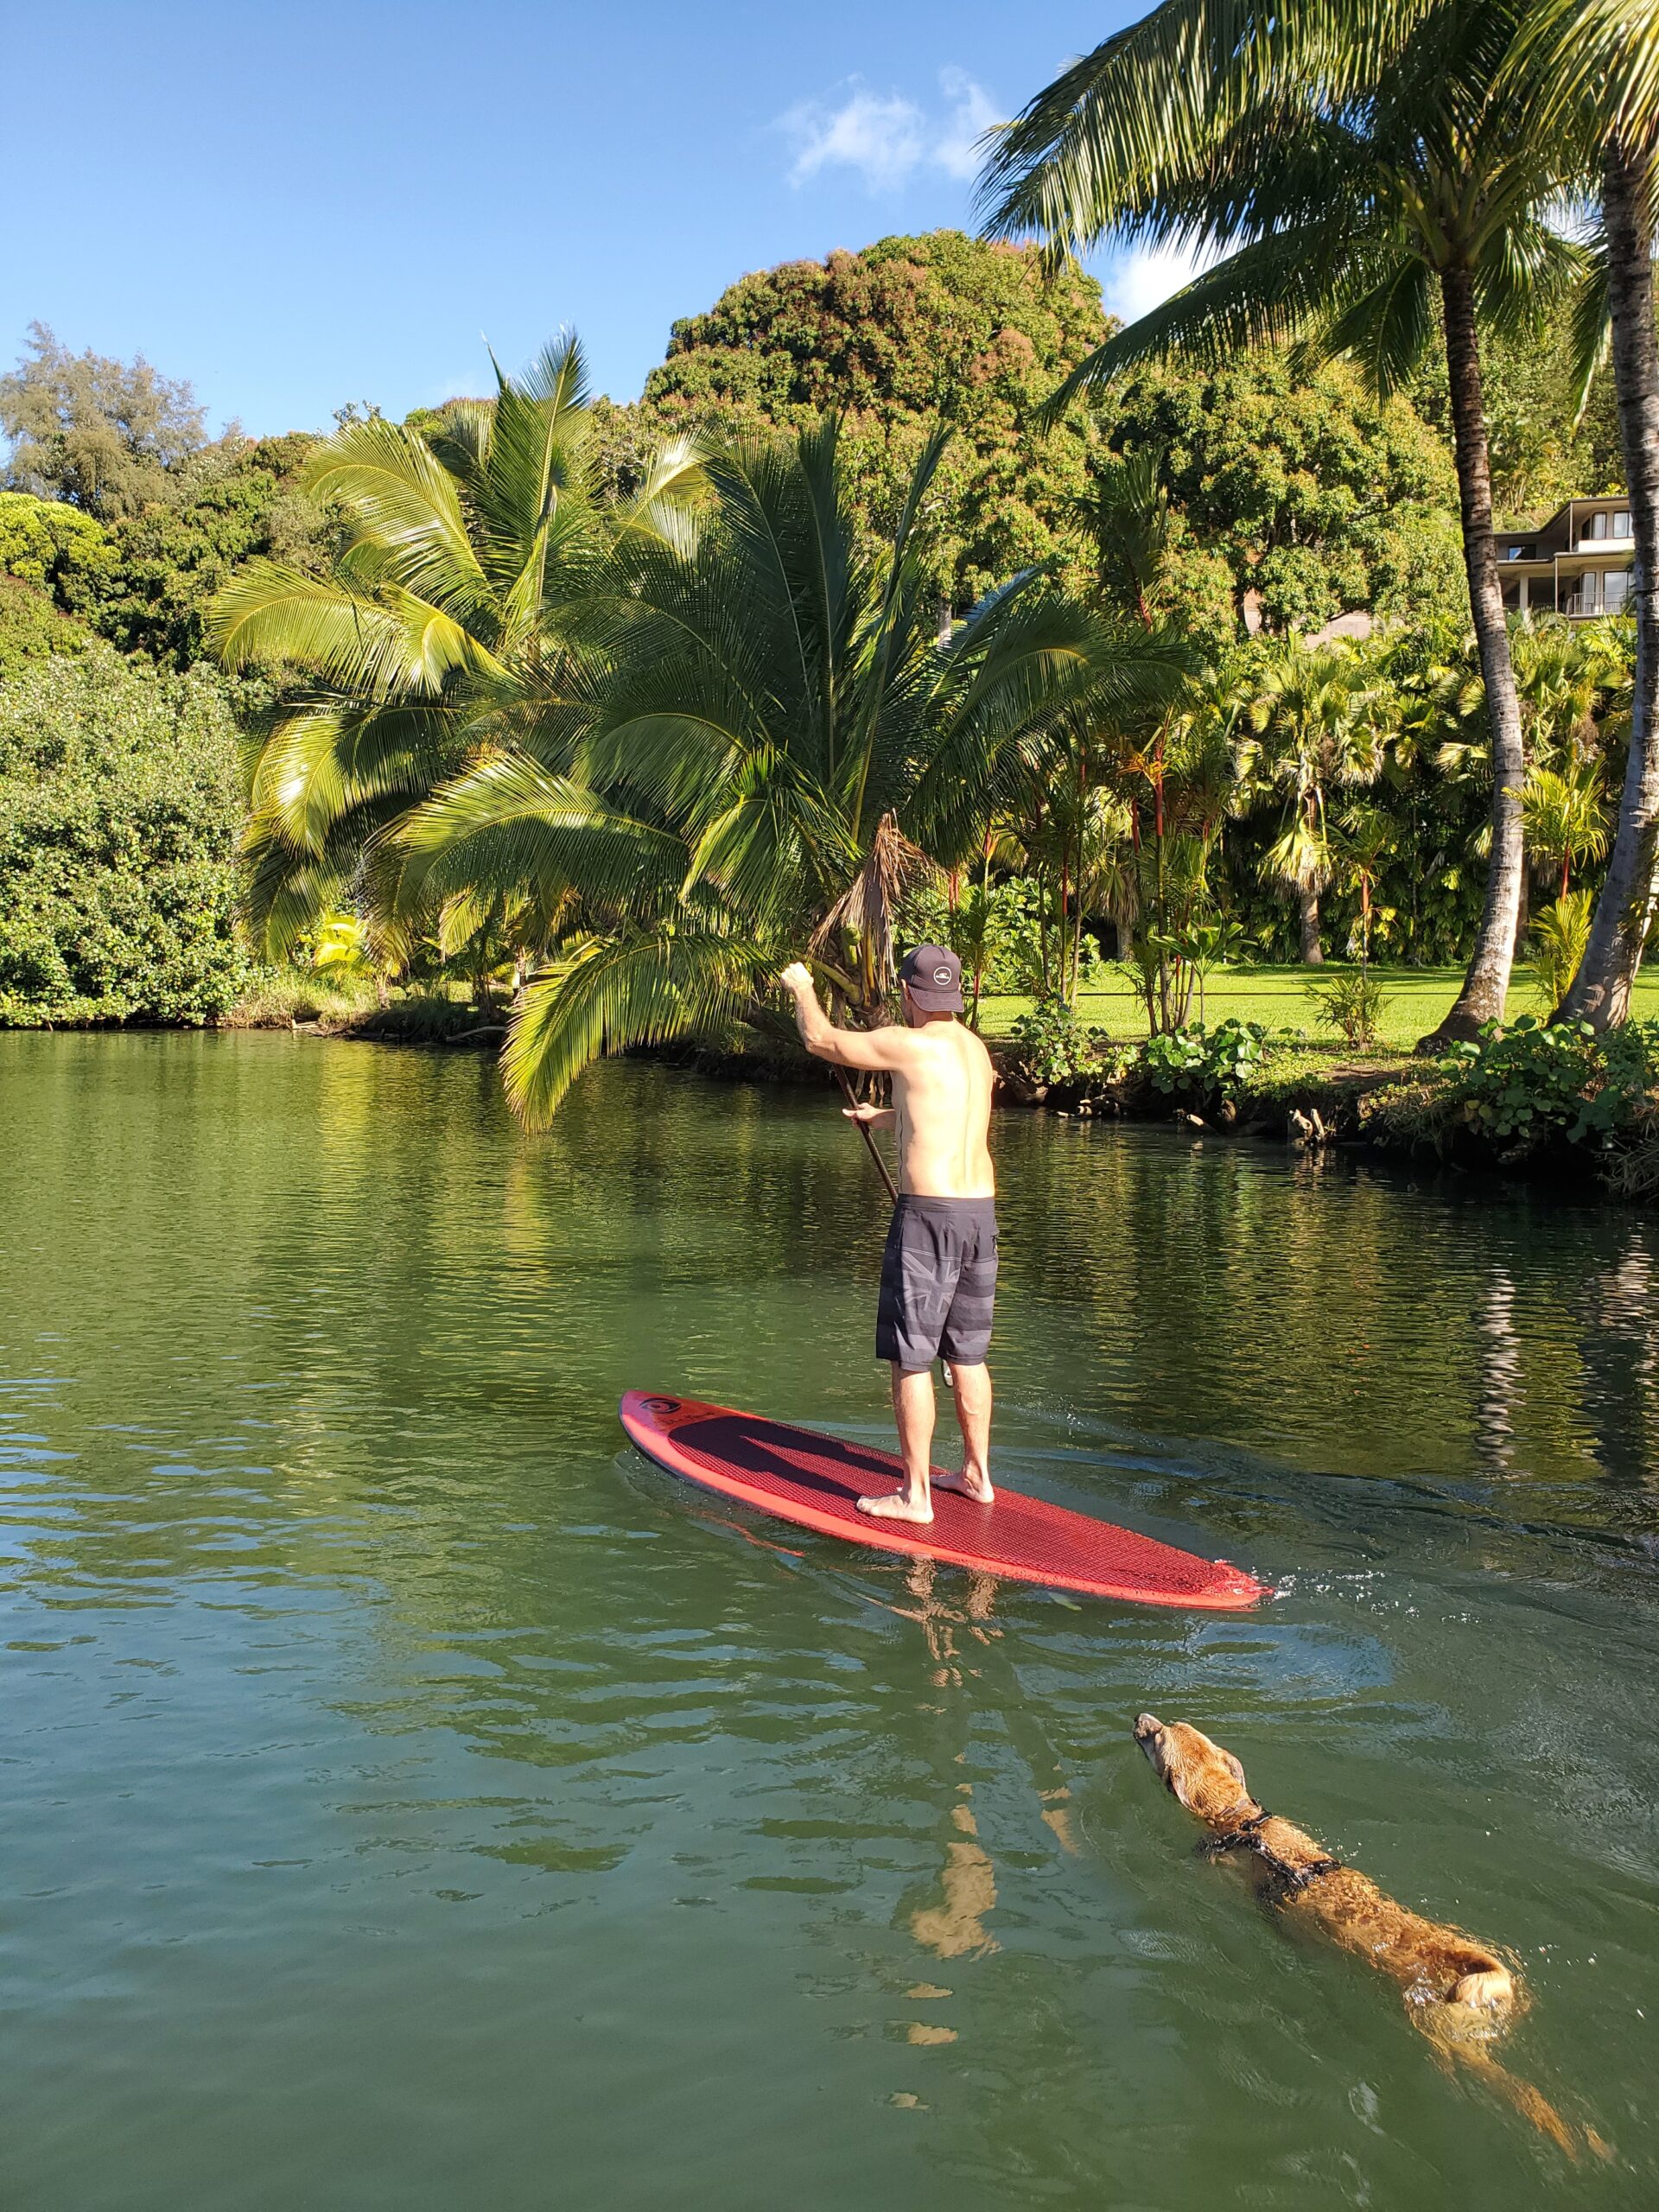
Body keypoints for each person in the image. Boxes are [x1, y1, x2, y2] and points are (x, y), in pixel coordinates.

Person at [779, 945, 996, 1525]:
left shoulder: (907, 1041)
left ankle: (915, 1496)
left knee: (912, 1357)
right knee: (968, 1355)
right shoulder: (974, 1050)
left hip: (929, 1217)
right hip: (980, 1213)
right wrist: (887, 1117)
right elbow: (949, 1110)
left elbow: (822, 1041)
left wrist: (802, 988)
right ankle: (976, 1475)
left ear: (907, 992)